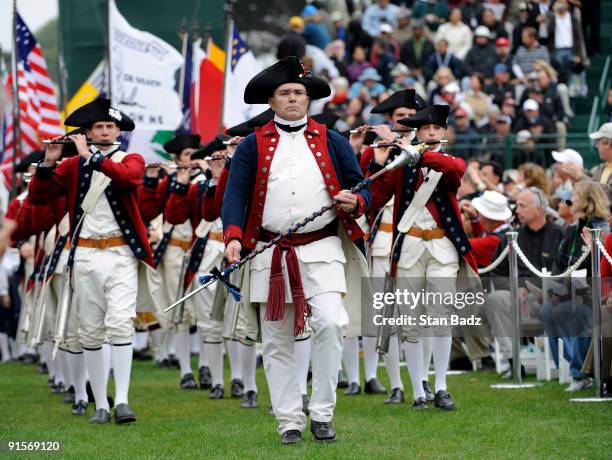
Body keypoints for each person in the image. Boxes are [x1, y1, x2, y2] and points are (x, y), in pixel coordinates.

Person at [222, 56, 370, 444]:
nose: (292, 99)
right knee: (277, 340)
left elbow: (361, 185)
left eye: (299, 93)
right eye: (285, 93)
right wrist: (234, 236)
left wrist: (357, 202)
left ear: (309, 99)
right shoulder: (251, 146)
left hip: (321, 249)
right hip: (271, 252)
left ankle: (322, 413)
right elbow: (234, 196)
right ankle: (289, 420)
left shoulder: (333, 140)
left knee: (331, 323)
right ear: (271, 102)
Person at [29, 98, 158, 425]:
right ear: (87, 131)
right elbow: (38, 198)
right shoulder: (72, 166)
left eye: (109, 127)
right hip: (84, 254)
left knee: (119, 323)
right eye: (98, 127)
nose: (104, 131)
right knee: (90, 329)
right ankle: (101, 403)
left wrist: (89, 155)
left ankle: (124, 400)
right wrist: (48, 163)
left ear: (118, 130)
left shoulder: (131, 158)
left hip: (120, 254)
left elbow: (128, 179)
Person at [368, 104, 479, 410]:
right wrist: (378, 161)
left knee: (441, 319)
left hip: (442, 248)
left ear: (444, 132)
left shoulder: (450, 160)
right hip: (409, 249)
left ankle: (441, 386)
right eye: (426, 129)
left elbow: (455, 172)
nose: (431, 133)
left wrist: (412, 150)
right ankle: (418, 390)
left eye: (436, 129)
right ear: (418, 131)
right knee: (411, 324)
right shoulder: (403, 162)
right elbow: (376, 196)